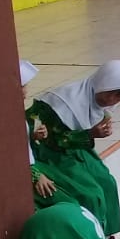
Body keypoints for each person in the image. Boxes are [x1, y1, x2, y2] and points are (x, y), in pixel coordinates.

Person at [27, 59, 120, 239]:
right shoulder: (61, 102)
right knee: (90, 192)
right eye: (113, 93)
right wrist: (90, 134)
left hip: (74, 150)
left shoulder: (95, 101)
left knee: (106, 182)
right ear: (103, 84)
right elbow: (53, 140)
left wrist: (94, 133)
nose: (113, 100)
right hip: (51, 155)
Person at [20, 60, 74, 211]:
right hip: (26, 174)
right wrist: (36, 175)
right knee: (67, 204)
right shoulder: (4, 117)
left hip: (32, 167)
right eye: (21, 86)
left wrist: (33, 136)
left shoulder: (15, 112)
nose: (25, 92)